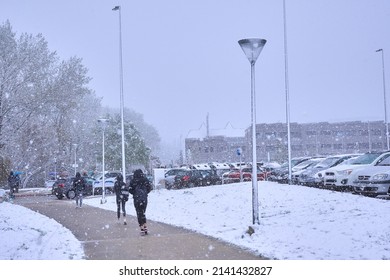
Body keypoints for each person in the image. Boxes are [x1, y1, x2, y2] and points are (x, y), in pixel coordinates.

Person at [129, 169, 152, 235]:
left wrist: (135, 193)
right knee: (143, 212)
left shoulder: (133, 180)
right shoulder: (145, 179)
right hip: (144, 198)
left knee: (138, 213)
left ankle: (142, 228)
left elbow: (130, 190)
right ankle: (145, 226)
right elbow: (149, 188)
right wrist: (145, 193)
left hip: (137, 199)